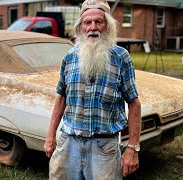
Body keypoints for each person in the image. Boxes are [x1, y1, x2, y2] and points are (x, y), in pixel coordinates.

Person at [44, 0, 141, 179]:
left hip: (104, 148)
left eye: (99, 22)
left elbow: (134, 103)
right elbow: (61, 97)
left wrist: (132, 148)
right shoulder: (70, 57)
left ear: (108, 26)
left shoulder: (121, 58)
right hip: (68, 144)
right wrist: (50, 136)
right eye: (87, 22)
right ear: (80, 27)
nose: (93, 27)